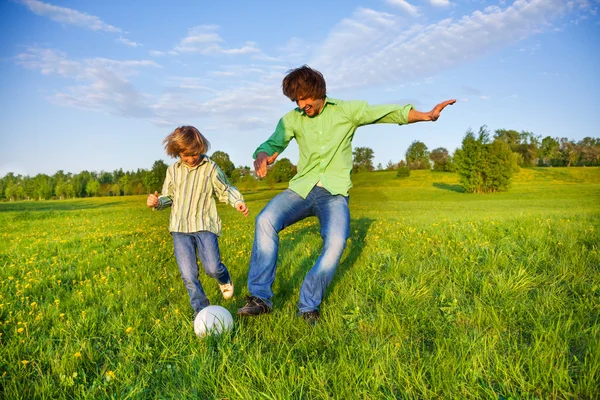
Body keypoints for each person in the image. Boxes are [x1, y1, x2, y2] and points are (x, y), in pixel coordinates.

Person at [237, 65, 455, 324]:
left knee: (337, 242)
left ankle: (308, 306)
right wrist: (263, 157)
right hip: (301, 190)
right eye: (296, 101)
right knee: (265, 220)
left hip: (334, 194)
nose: (301, 105)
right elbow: (272, 145)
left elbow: (387, 113)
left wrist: (427, 115)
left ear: (319, 92)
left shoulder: (346, 111)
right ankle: (260, 299)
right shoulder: (291, 120)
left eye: (305, 100)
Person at [147, 125, 249, 319]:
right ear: (177, 153)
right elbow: (168, 196)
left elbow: (224, 189)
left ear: (201, 148)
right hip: (179, 228)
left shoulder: (210, 168)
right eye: (185, 155)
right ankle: (201, 309)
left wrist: (238, 202)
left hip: (204, 226)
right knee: (188, 275)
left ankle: (223, 277)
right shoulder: (173, 171)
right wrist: (157, 202)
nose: (191, 159)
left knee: (212, 267)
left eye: (195, 154)